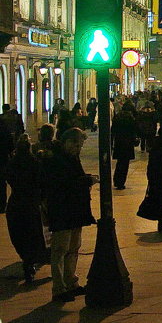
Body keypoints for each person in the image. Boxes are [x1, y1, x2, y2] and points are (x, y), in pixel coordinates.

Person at [42, 127, 95, 302]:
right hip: (62, 210)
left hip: (75, 209)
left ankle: (71, 281)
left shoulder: (71, 157)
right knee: (60, 249)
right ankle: (59, 288)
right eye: (76, 145)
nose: (78, 149)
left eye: (80, 146)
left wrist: (85, 179)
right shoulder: (55, 159)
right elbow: (62, 184)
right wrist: (86, 180)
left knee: (74, 247)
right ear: (67, 142)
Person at [6, 134, 50, 283]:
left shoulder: (12, 164)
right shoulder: (35, 163)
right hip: (31, 203)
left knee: (19, 234)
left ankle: (27, 259)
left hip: (16, 202)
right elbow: (42, 182)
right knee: (33, 233)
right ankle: (31, 261)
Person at [112, 105, 138, 190]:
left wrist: (111, 142)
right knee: (125, 164)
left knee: (119, 163)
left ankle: (116, 180)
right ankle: (121, 182)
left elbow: (113, 131)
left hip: (119, 143)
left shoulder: (117, 118)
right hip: (128, 144)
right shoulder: (131, 119)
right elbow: (134, 131)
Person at [0, 118, 12, 213]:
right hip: (3, 159)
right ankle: (2, 204)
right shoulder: (5, 130)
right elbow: (10, 146)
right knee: (2, 182)